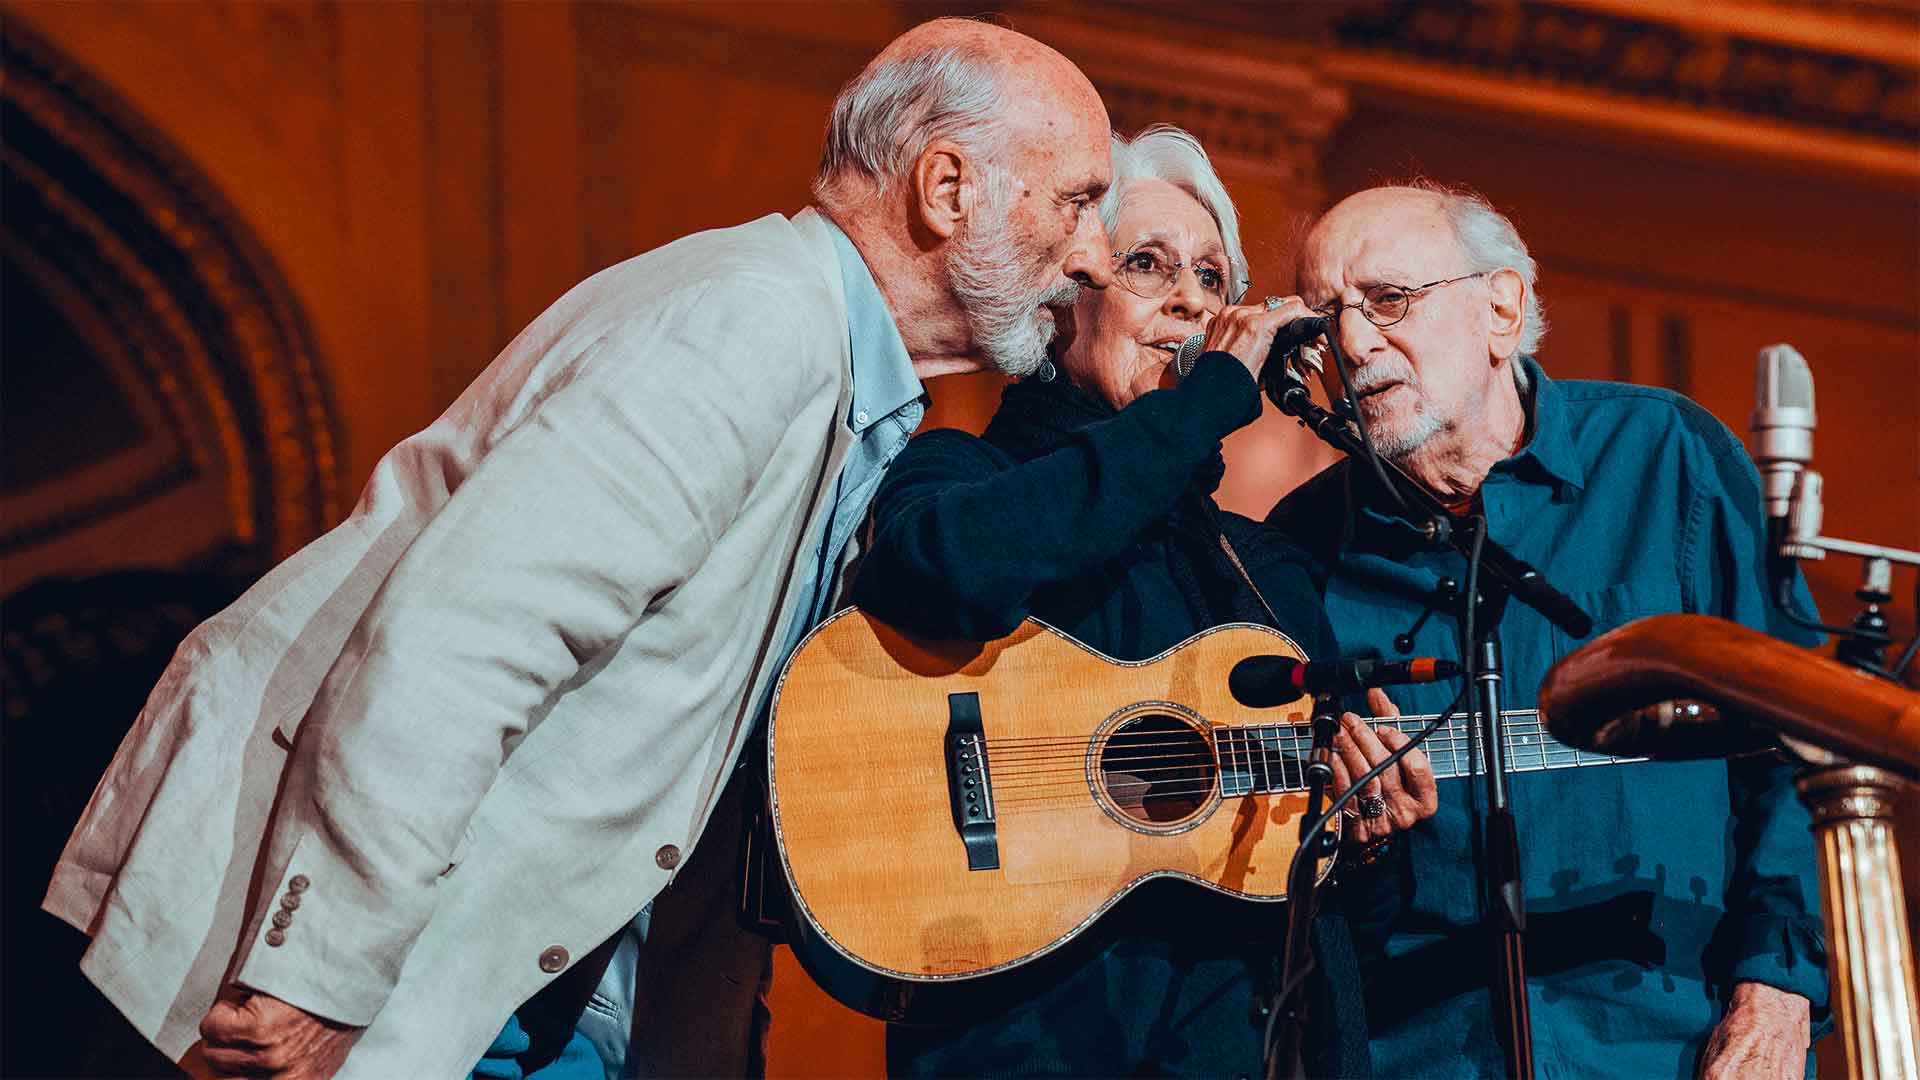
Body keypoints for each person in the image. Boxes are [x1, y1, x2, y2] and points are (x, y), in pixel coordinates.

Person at [41, 19, 1117, 1079]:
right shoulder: (752, 325)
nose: (1093, 257)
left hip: (537, 1006)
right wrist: (318, 975)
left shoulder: (841, 372)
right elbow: (464, 638)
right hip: (408, 992)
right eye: (1076, 201)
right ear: (946, 188)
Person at [848, 125, 1439, 1078]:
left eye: (1212, 278)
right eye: (1149, 264)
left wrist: (1367, 837)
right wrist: (1203, 407)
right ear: (1065, 290)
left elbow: (1348, 934)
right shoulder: (961, 474)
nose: (1189, 300)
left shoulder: (1264, 570)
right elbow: (951, 569)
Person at [1266, 182, 1829, 1079]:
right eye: (1324, 317)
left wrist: (1779, 990)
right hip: (1419, 1053)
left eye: (1388, 300)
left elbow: (1805, 743)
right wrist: (1358, 846)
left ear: (1502, 307)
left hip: (1673, 1043)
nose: (1354, 341)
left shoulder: (1665, 458)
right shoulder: (1298, 544)